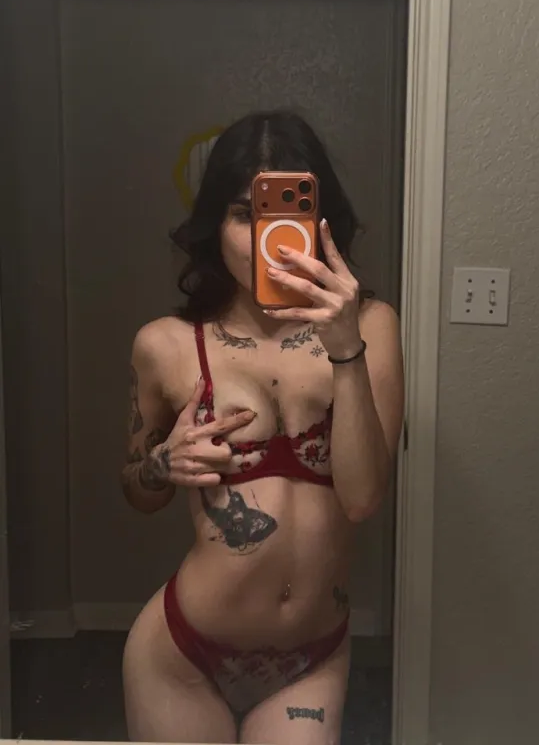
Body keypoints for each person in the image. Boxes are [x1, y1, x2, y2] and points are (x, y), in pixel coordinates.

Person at [121, 110, 404, 745]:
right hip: (182, 659)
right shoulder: (165, 344)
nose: (264, 240)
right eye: (243, 215)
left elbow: (362, 499)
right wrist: (162, 463)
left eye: (283, 214)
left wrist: (345, 349)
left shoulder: (372, 327)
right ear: (213, 224)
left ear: (319, 223)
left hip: (311, 659)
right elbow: (136, 491)